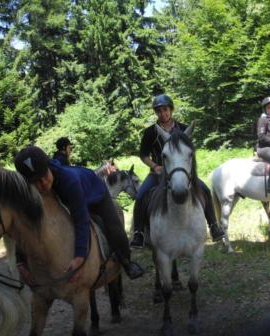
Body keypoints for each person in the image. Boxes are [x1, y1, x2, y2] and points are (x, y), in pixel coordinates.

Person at [14, 146, 144, 282]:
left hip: (95, 192)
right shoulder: (28, 189)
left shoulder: (69, 181)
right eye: (36, 182)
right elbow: (24, 221)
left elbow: (81, 219)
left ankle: (127, 262)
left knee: (113, 226)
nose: (43, 184)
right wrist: (20, 260)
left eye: (44, 176)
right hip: (72, 196)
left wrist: (79, 257)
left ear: (48, 167)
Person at [129, 94, 225, 248]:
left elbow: (190, 152)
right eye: (159, 111)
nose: (163, 113)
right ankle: (139, 233)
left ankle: (214, 226)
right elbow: (143, 155)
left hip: (181, 172)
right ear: (156, 113)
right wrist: (155, 166)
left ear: (171, 110)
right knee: (141, 195)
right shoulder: (150, 132)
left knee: (205, 189)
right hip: (158, 173)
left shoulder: (183, 129)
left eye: (165, 109)